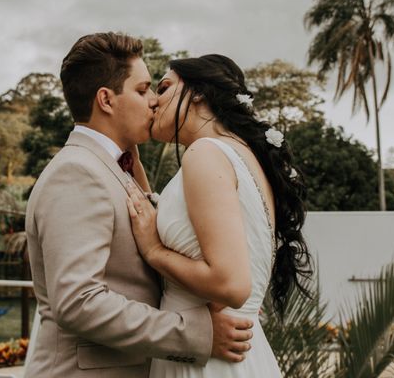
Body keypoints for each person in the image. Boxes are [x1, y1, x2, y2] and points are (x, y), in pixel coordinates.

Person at [25, 34, 255, 378]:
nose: (153, 101)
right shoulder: (76, 173)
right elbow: (78, 302)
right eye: (143, 89)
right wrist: (197, 334)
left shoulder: (117, 168)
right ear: (106, 99)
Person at [126, 54, 312, 377]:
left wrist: (154, 251)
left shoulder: (205, 153)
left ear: (198, 92)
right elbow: (192, 231)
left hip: (208, 361)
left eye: (164, 87)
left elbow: (231, 284)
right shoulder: (242, 157)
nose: (154, 101)